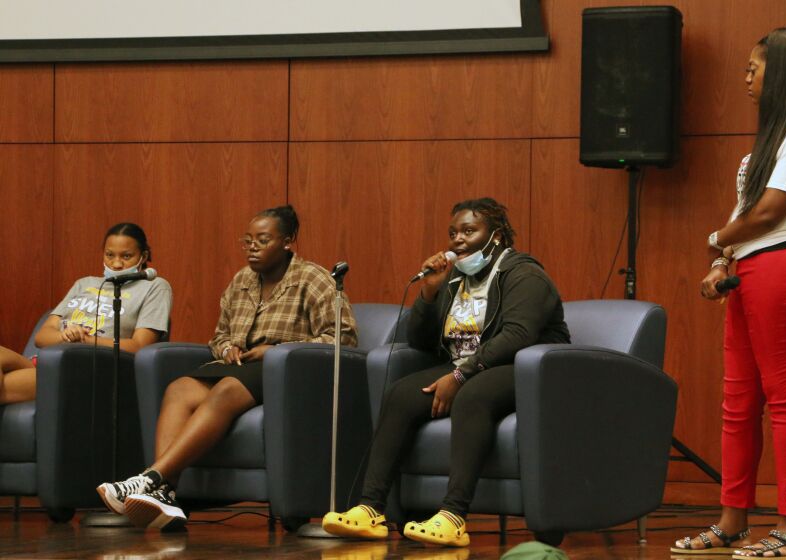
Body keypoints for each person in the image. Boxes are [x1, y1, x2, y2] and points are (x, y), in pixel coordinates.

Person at [673, 27, 786, 557]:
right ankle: (732, 521)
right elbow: (751, 212)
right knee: (738, 403)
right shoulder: (779, 130)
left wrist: (717, 240)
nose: (746, 77)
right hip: (753, 266)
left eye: (754, 67)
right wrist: (724, 258)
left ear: (784, 69)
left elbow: (773, 211)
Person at [321, 197, 570, 547]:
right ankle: (371, 509)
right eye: (453, 232)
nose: (457, 240)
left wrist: (459, 376)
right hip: (468, 366)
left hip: (525, 368)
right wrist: (429, 291)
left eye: (469, 231)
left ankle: (453, 516)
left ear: (496, 235)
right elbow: (421, 341)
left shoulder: (524, 273)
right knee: (401, 395)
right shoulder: (455, 279)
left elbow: (518, 336)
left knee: (473, 395)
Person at [96, 204, 358, 530]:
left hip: (288, 372)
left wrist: (277, 350)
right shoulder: (242, 280)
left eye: (262, 241)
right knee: (179, 388)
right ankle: (164, 495)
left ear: (288, 241)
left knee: (226, 391)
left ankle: (151, 478)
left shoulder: (313, 279)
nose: (252, 249)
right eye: (247, 241)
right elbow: (219, 334)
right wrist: (228, 347)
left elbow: (343, 340)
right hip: (237, 364)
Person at [0, 223, 172, 404]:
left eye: (126, 256)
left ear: (143, 256)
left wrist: (86, 340)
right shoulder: (84, 283)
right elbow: (42, 337)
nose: (117, 263)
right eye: (109, 255)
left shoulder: (155, 286)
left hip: (91, 369)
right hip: (48, 361)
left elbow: (140, 346)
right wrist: (65, 336)